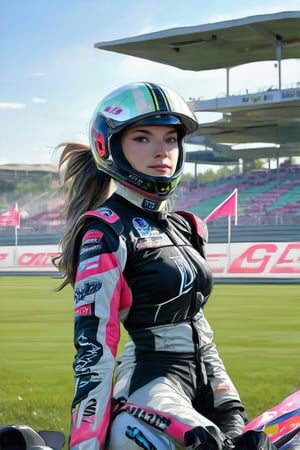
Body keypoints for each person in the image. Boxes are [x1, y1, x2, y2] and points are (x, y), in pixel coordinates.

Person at [53, 82, 275, 450]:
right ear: (110, 146)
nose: (162, 151)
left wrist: (221, 387)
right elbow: (94, 349)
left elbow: (197, 320)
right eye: (143, 138)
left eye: (170, 138)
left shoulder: (188, 226)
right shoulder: (104, 230)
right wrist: (85, 443)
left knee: (257, 443)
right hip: (151, 380)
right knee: (207, 443)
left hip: (209, 372)